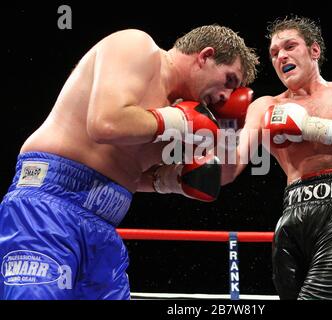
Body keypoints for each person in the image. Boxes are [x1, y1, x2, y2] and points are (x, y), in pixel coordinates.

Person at [0, 25, 259, 300]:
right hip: (47, 207)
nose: (226, 96)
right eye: (229, 81)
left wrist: (231, 125)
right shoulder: (137, 48)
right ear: (206, 56)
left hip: (104, 225)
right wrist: (177, 120)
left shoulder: (185, 114)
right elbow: (105, 123)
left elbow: (223, 174)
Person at [222, 16, 332, 300]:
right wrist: (194, 138)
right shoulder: (265, 106)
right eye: (274, 53)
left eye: (290, 46)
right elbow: (231, 165)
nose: (281, 56)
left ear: (314, 51)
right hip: (294, 217)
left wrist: (312, 127)